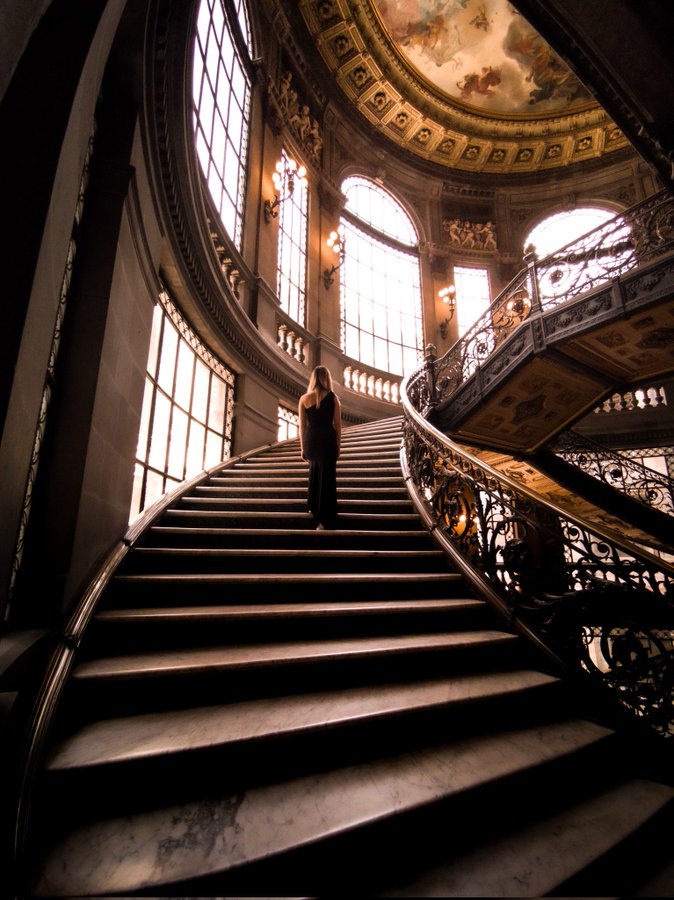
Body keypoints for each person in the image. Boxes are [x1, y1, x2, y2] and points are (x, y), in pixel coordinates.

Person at [299, 365, 342, 529]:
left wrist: (302, 448)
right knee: (327, 478)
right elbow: (337, 426)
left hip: (311, 441)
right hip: (327, 441)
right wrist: (338, 446)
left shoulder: (304, 399)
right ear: (327, 378)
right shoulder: (333, 398)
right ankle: (325, 518)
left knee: (315, 473)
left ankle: (314, 508)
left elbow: (302, 426)